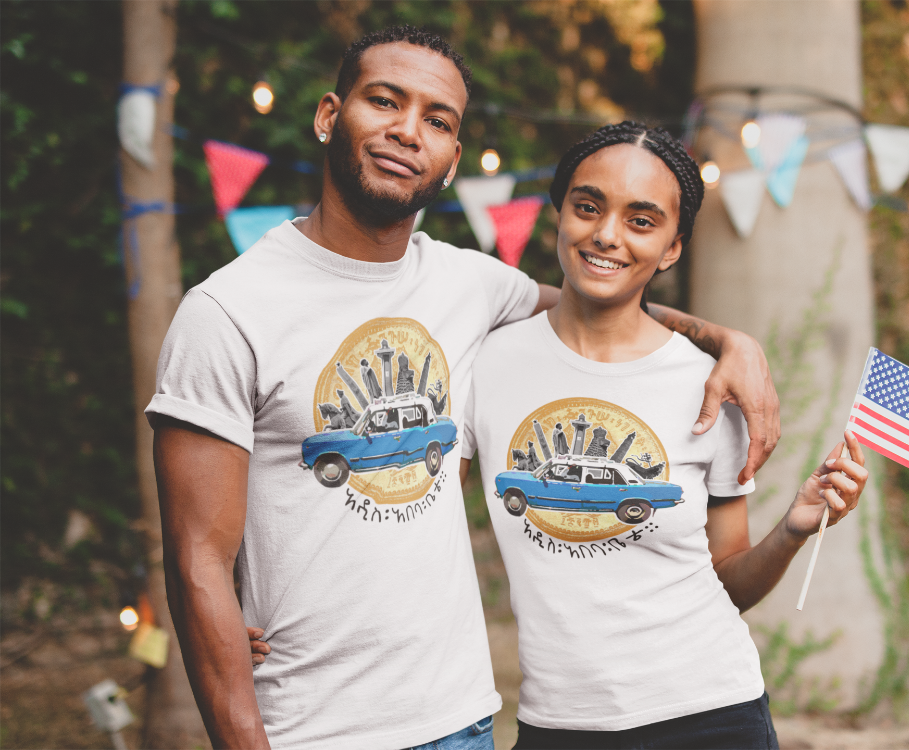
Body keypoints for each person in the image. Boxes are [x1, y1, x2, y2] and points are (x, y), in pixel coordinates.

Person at [150, 26, 779, 750]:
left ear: (452, 159)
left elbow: (605, 303)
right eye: (384, 101)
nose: (407, 131)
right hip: (308, 729)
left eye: (438, 121)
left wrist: (731, 342)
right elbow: (197, 562)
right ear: (330, 116)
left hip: (462, 720)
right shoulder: (227, 312)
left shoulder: (471, 284)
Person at [456, 123, 868, 749]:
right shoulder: (487, 362)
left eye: (641, 221)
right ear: (559, 214)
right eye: (588, 207)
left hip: (712, 714)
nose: (607, 235)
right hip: (558, 723)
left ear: (673, 248)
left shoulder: (709, 385)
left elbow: (728, 579)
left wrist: (792, 530)